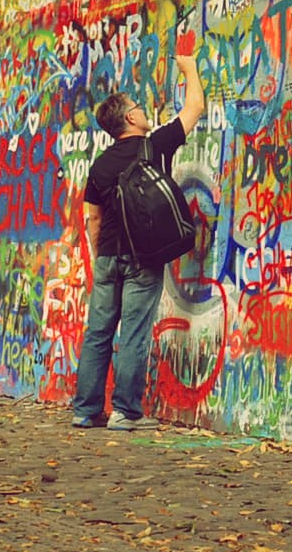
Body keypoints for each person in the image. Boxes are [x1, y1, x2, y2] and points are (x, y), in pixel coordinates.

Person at [74, 24, 205, 430]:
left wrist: (102, 259)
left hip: (109, 257)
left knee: (98, 332)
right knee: (132, 332)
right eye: (140, 108)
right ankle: (125, 412)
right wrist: (189, 68)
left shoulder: (100, 165)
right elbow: (195, 108)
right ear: (131, 117)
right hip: (142, 259)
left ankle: (85, 411)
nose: (145, 112)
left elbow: (94, 218)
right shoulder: (155, 145)